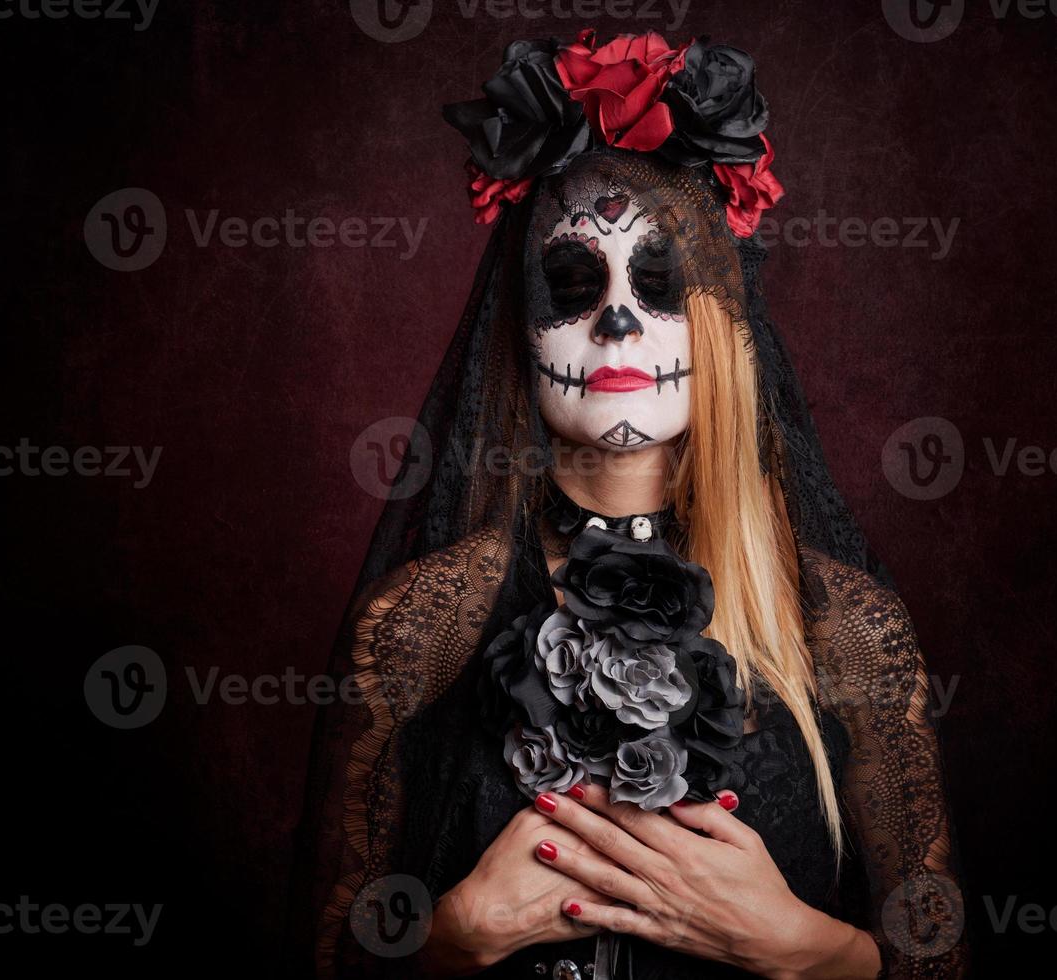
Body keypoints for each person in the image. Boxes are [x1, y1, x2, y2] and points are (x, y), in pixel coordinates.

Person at [290, 29, 970, 979]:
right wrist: (450, 939)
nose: (615, 319)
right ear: (519, 330)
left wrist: (810, 951)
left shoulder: (844, 628)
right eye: (570, 284)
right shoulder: (418, 627)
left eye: (661, 284)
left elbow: (938, 964)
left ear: (724, 326)